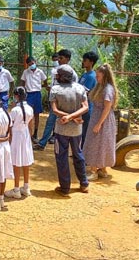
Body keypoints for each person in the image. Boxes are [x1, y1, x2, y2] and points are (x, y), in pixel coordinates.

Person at [49, 65, 89, 196]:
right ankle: (84, 184)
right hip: (77, 129)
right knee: (78, 154)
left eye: (58, 75)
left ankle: (65, 187)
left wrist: (67, 117)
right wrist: (73, 117)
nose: (56, 77)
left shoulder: (55, 89)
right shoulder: (80, 88)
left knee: (61, 156)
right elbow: (85, 108)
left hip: (61, 128)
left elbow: (55, 110)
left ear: (62, 77)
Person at [35, 49, 79, 151]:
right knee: (50, 122)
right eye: (58, 58)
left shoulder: (73, 74)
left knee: (65, 123)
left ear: (67, 59)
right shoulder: (56, 71)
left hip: (66, 103)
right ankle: (42, 143)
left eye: (61, 58)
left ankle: (67, 147)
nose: (58, 60)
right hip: (56, 102)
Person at [83, 64, 119, 180]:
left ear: (105, 75)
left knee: (97, 142)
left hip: (103, 119)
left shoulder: (108, 88)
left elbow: (107, 108)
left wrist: (99, 123)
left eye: (98, 75)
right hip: (98, 117)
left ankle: (93, 170)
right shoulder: (100, 86)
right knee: (101, 142)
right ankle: (103, 169)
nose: (96, 77)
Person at [4, 87, 34, 199]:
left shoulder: (15, 110)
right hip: (25, 134)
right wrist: (30, 135)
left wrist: (9, 138)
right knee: (25, 160)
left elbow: (10, 125)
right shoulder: (29, 108)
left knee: (16, 162)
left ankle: (16, 188)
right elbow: (31, 124)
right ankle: (26, 186)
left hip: (16, 136)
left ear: (16, 96)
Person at [20, 56, 47, 141]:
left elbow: (45, 80)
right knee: (28, 113)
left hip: (37, 94)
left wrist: (41, 86)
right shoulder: (25, 72)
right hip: (29, 94)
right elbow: (22, 83)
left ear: (35, 62)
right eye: (29, 64)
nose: (31, 65)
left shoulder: (40, 72)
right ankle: (28, 132)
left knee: (36, 113)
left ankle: (35, 132)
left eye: (32, 63)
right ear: (27, 65)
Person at [79, 51, 99, 145]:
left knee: (85, 131)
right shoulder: (85, 75)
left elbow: (84, 92)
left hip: (87, 107)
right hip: (82, 106)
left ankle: (83, 152)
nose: (83, 62)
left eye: (85, 60)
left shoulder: (91, 76)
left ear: (91, 62)